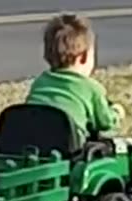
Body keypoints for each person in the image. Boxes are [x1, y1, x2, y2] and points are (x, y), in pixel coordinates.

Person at [22, 13, 125, 146]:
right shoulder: (91, 89)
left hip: (34, 143)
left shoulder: (40, 82)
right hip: (69, 148)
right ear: (83, 57)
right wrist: (117, 112)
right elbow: (105, 123)